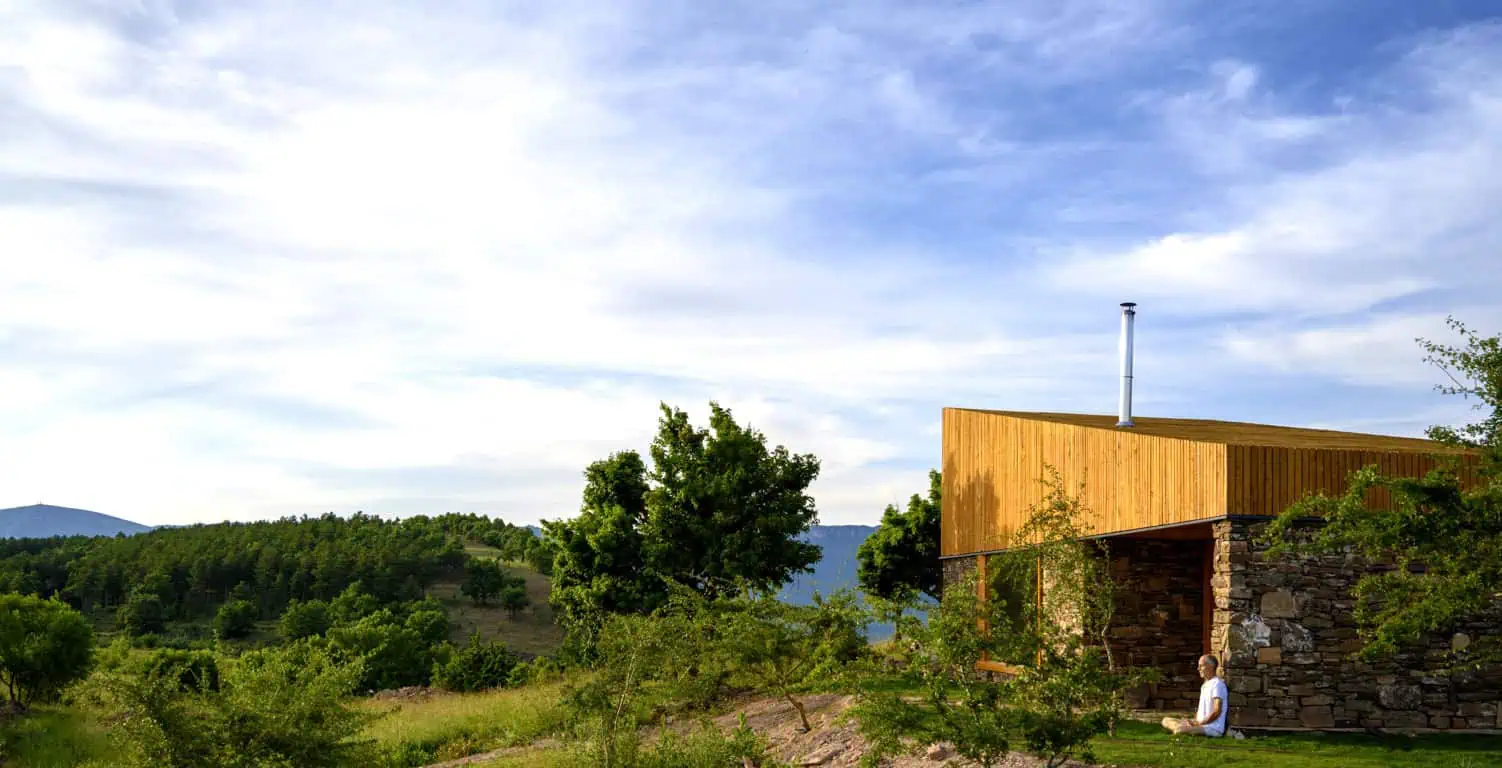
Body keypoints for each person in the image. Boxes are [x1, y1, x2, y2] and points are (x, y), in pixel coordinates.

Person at [1160, 655, 1228, 737]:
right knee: (1165, 720)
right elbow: (1201, 710)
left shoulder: (1217, 684)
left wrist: (1201, 723)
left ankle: (1180, 729)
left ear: (1210, 667)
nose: (1198, 669)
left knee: (1179, 730)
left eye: (1201, 666)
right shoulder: (1205, 685)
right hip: (1200, 724)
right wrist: (1193, 721)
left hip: (1212, 728)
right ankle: (1182, 728)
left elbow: (1217, 711)